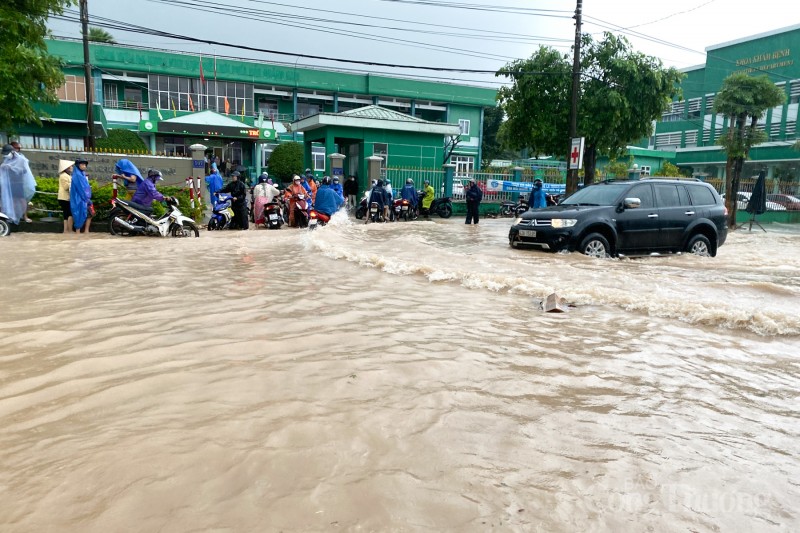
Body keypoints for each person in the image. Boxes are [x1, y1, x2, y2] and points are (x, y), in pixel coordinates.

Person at [0, 144, 36, 224]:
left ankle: (25, 216)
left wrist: (12, 168)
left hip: (19, 183)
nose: (6, 155)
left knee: (22, 200)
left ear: (12, 152)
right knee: (12, 200)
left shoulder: (21, 159)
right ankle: (12, 216)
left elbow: (25, 171)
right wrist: (3, 167)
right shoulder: (6, 160)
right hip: (9, 184)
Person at [69, 157, 92, 234]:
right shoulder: (78, 175)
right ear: (78, 165)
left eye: (85, 164)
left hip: (83, 199)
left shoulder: (81, 174)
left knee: (82, 215)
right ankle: (78, 233)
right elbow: (81, 188)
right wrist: (86, 198)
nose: (84, 166)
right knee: (78, 215)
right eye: (82, 164)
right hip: (79, 199)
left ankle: (82, 232)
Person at [57, 160, 74, 233]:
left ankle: (66, 230)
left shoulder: (67, 175)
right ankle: (68, 230)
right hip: (64, 198)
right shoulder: (63, 176)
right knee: (69, 213)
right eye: (71, 166)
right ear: (67, 168)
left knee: (66, 214)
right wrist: (73, 184)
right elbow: (66, 187)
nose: (72, 167)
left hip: (65, 198)